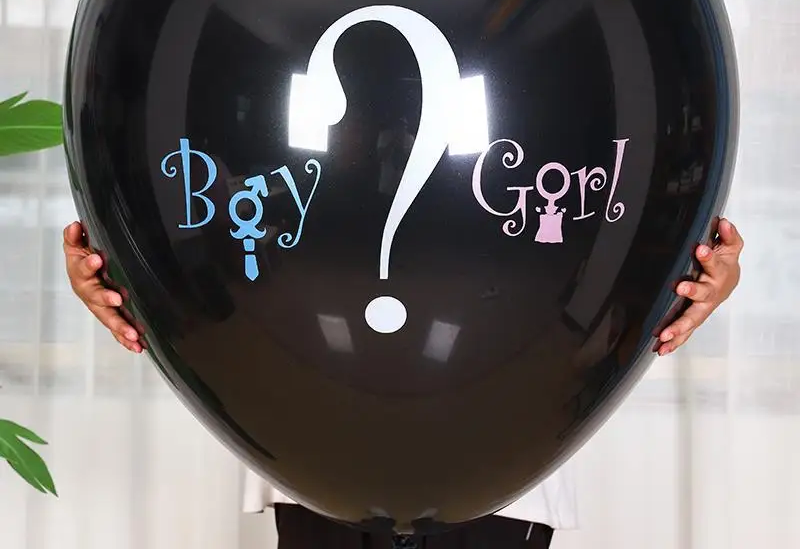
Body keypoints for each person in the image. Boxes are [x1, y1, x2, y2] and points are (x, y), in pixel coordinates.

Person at [63, 218, 744, 548]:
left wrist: (705, 269)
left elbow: (639, 213)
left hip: (503, 453)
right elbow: (198, 216)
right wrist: (116, 263)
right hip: (313, 449)